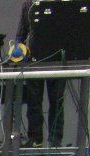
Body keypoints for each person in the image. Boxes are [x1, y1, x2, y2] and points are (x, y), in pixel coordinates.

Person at [16, 0, 65, 147]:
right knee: (34, 101)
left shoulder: (60, 3)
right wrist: (18, 51)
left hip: (56, 59)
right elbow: (22, 31)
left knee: (57, 100)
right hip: (34, 59)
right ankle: (35, 138)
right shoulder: (28, 4)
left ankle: (55, 140)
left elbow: (68, 29)